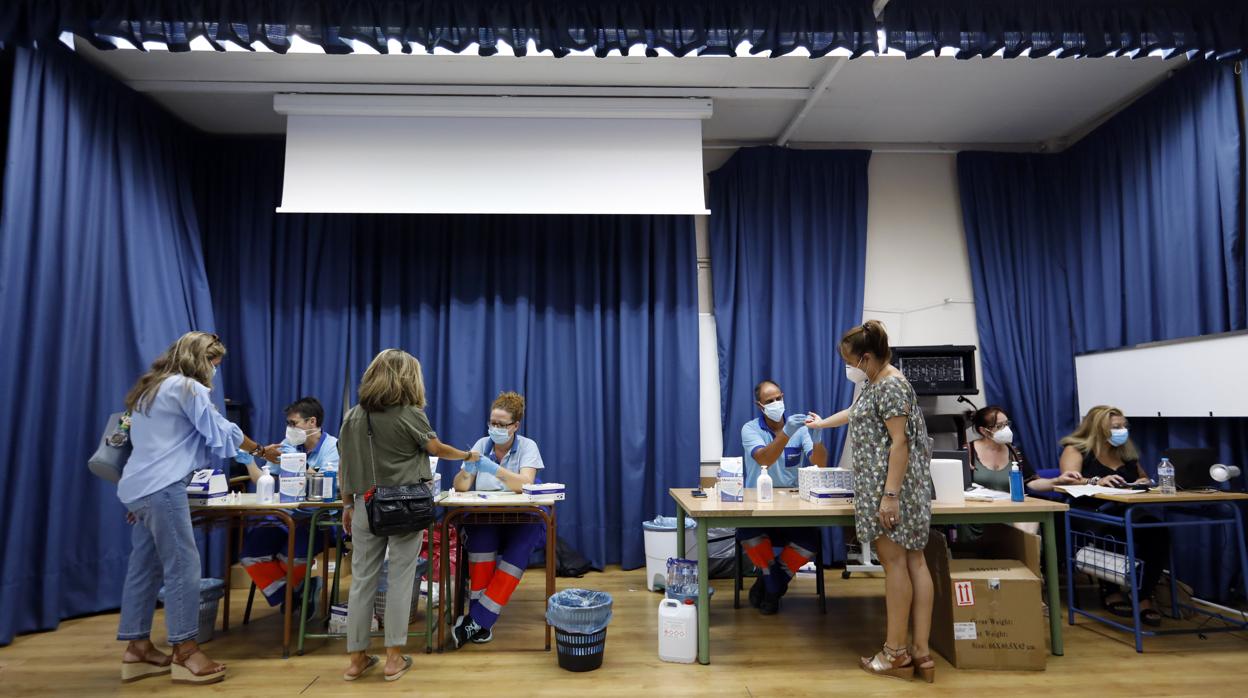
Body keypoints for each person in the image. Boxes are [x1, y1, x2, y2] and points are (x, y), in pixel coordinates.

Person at [116, 331, 279, 686]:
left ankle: (137, 647)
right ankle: (186, 651)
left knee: (144, 567)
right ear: (198, 360)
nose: (214, 371)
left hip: (137, 487)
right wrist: (261, 450)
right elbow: (221, 430)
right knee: (183, 568)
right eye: (213, 363)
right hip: (161, 488)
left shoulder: (148, 389)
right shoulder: (188, 388)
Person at [805, 320, 936, 682]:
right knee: (913, 564)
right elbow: (857, 413)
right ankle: (921, 653)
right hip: (895, 488)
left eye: (850, 361)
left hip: (892, 489)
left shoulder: (891, 384)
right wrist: (821, 425)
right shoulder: (876, 383)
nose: (847, 368)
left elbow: (901, 443)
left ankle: (895, 653)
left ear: (865, 357)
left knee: (898, 565)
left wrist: (890, 496)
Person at [338, 349, 480, 682]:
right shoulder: (409, 414)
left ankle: (357, 660)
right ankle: (393, 659)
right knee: (402, 578)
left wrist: (346, 504)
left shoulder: (353, 416)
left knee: (361, 582)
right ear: (408, 378)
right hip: (404, 507)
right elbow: (437, 450)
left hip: (363, 506)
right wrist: (468, 454)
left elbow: (345, 465)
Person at [450, 391, 546, 647]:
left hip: (522, 518)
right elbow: (460, 486)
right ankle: (482, 622)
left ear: (515, 426)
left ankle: (478, 619)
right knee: (480, 540)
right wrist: (467, 468)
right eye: (492, 423)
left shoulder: (528, 446)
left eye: (502, 425)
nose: (495, 428)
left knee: (521, 548)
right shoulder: (481, 444)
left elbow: (526, 483)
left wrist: (494, 469)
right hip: (485, 516)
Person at [1059, 405, 1168, 627]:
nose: (1121, 431)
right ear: (1098, 428)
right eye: (1115, 427)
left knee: (1157, 532)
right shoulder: (1077, 449)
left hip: (1127, 509)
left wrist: (1142, 482)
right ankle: (1110, 589)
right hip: (1091, 510)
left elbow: (1144, 477)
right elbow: (1068, 479)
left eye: (1123, 426)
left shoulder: (1126, 453)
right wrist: (1095, 481)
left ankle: (1143, 594)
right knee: (1112, 531)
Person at [237, 397, 339, 616]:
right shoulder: (288, 445)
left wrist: (298, 464)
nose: (289, 429)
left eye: (294, 423)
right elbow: (263, 480)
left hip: (319, 518)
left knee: (291, 556)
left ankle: (295, 594)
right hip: (286, 514)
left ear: (312, 422)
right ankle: (297, 593)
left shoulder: (333, 447)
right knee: (250, 554)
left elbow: (326, 483)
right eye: (288, 424)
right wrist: (248, 462)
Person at [736, 379, 828, 615]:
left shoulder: (801, 428)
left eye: (779, 398)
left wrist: (817, 439)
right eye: (770, 401)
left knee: (809, 539)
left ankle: (768, 583)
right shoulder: (750, 429)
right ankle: (774, 586)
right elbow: (764, 459)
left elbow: (819, 463)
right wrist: (786, 434)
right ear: (760, 405)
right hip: (758, 503)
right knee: (749, 533)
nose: (776, 403)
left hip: (792, 505)